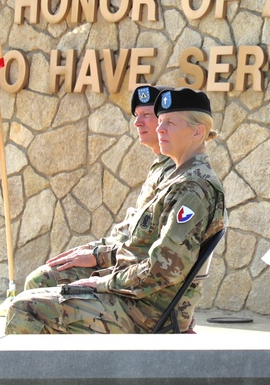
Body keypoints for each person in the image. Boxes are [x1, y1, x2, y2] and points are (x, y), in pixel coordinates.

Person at [5, 88, 226, 334]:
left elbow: (162, 270)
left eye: (170, 123)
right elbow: (140, 243)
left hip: (148, 310)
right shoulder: (178, 178)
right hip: (138, 297)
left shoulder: (192, 189)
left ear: (198, 131)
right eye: (160, 121)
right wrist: (102, 263)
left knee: (25, 309)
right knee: (38, 290)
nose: (160, 129)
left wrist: (103, 283)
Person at [21, 85, 174, 290]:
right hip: (123, 260)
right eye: (136, 115)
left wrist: (97, 256)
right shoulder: (161, 166)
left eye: (146, 115)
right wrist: (96, 250)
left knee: (41, 281)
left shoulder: (175, 173)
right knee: (50, 271)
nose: (137, 122)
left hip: (134, 276)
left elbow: (146, 245)